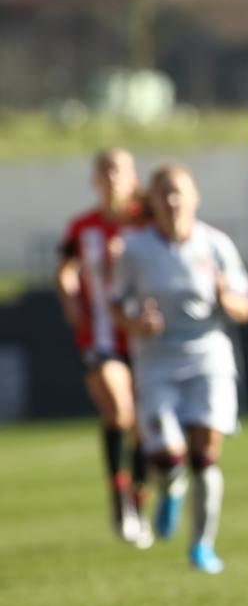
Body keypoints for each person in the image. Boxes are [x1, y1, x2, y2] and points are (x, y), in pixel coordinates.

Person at [110, 165, 248, 573]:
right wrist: (137, 324)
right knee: (167, 455)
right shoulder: (134, 249)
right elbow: (116, 304)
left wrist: (227, 298)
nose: (173, 201)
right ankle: (170, 487)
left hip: (208, 356)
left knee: (206, 455)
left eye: (179, 193)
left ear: (195, 198)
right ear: (152, 201)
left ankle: (201, 547)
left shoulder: (216, 245)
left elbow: (246, 306)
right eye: (165, 194)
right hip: (156, 361)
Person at [56, 148, 151, 546]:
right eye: (105, 171)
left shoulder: (145, 220)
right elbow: (66, 267)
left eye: (120, 170)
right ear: (96, 179)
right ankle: (118, 497)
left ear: (132, 176)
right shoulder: (83, 226)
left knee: (146, 425)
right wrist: (69, 295)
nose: (112, 177)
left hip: (146, 337)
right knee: (119, 410)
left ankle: (137, 501)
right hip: (100, 337)